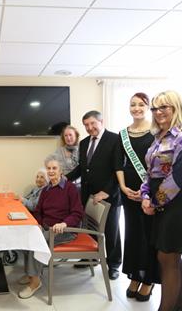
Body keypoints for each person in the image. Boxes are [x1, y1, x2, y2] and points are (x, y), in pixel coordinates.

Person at [141, 91, 182, 311]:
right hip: (160, 201)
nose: (158, 113)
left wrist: (154, 202)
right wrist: (146, 196)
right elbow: (150, 173)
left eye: (164, 107)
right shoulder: (158, 138)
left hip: (178, 203)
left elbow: (176, 178)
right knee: (169, 257)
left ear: (175, 108)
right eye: (155, 108)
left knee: (167, 256)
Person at [66, 110, 123, 280]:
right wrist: (65, 179)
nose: (90, 128)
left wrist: (106, 191)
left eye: (92, 124)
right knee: (90, 227)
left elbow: (119, 169)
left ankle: (113, 264)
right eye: (86, 125)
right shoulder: (83, 143)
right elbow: (82, 169)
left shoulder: (115, 139)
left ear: (101, 122)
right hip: (88, 194)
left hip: (109, 195)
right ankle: (90, 257)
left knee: (111, 231)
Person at [18, 156, 83, 299]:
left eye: (54, 168)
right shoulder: (46, 189)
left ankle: (35, 282)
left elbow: (77, 213)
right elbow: (38, 211)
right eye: (49, 168)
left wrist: (64, 224)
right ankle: (31, 274)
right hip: (47, 228)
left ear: (61, 171)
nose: (51, 171)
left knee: (36, 242)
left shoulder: (70, 188)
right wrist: (39, 224)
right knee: (26, 237)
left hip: (65, 229)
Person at [116, 93, 159, 301]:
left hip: (150, 194)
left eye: (141, 104)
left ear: (148, 107)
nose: (136, 108)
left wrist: (146, 192)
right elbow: (118, 163)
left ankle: (148, 280)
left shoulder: (157, 131)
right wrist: (123, 187)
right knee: (132, 235)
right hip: (129, 194)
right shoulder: (123, 133)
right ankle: (134, 276)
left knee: (148, 236)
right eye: (132, 104)